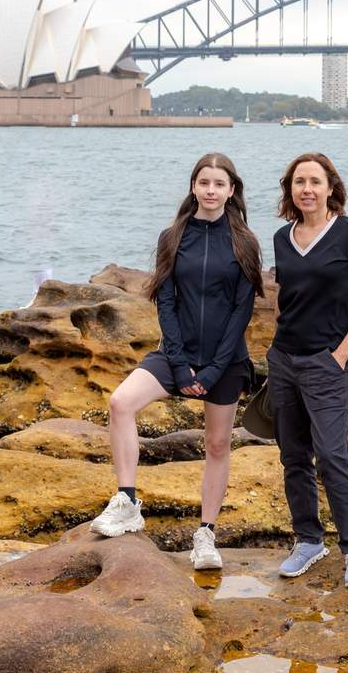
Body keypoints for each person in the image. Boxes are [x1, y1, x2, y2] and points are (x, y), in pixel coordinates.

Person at [90, 153, 264, 572]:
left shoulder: (245, 242)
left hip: (224, 360)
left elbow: (241, 313)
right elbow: (165, 302)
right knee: (121, 403)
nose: (210, 190)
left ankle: (205, 534)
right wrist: (182, 366)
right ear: (193, 187)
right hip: (176, 354)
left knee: (218, 444)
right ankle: (128, 501)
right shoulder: (173, 236)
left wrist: (211, 371)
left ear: (231, 190)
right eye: (203, 182)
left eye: (218, 184)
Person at [269, 153, 348, 588]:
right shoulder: (283, 237)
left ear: (331, 187)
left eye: (315, 181)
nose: (307, 189)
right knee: (293, 455)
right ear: (290, 189)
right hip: (284, 360)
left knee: (333, 456)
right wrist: (276, 350)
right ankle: (308, 540)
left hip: (329, 361)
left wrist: (342, 353)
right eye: (299, 182)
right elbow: (286, 296)